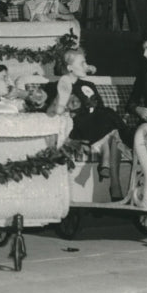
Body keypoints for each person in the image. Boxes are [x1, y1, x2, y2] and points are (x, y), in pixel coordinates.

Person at [51, 47, 130, 201]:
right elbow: (59, 111)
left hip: (98, 126)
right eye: (82, 63)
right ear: (70, 68)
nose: (86, 66)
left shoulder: (90, 85)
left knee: (110, 126)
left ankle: (115, 185)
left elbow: (99, 108)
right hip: (78, 128)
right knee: (109, 116)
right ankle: (115, 148)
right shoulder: (62, 85)